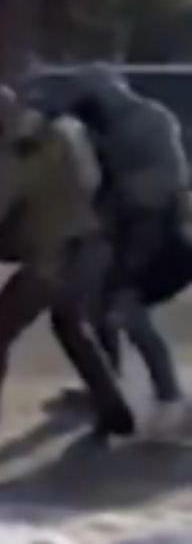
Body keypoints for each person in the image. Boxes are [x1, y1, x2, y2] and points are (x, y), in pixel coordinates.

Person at [0, 86, 135, 458]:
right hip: (92, 242)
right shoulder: (65, 129)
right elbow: (94, 178)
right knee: (71, 325)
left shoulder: (7, 156)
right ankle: (116, 410)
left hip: (52, 258)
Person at [64, 65, 192, 437]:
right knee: (98, 307)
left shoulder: (151, 120)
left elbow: (165, 181)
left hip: (156, 233)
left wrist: (121, 196)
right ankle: (107, 384)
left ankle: (168, 393)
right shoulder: (105, 124)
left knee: (128, 312)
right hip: (125, 228)